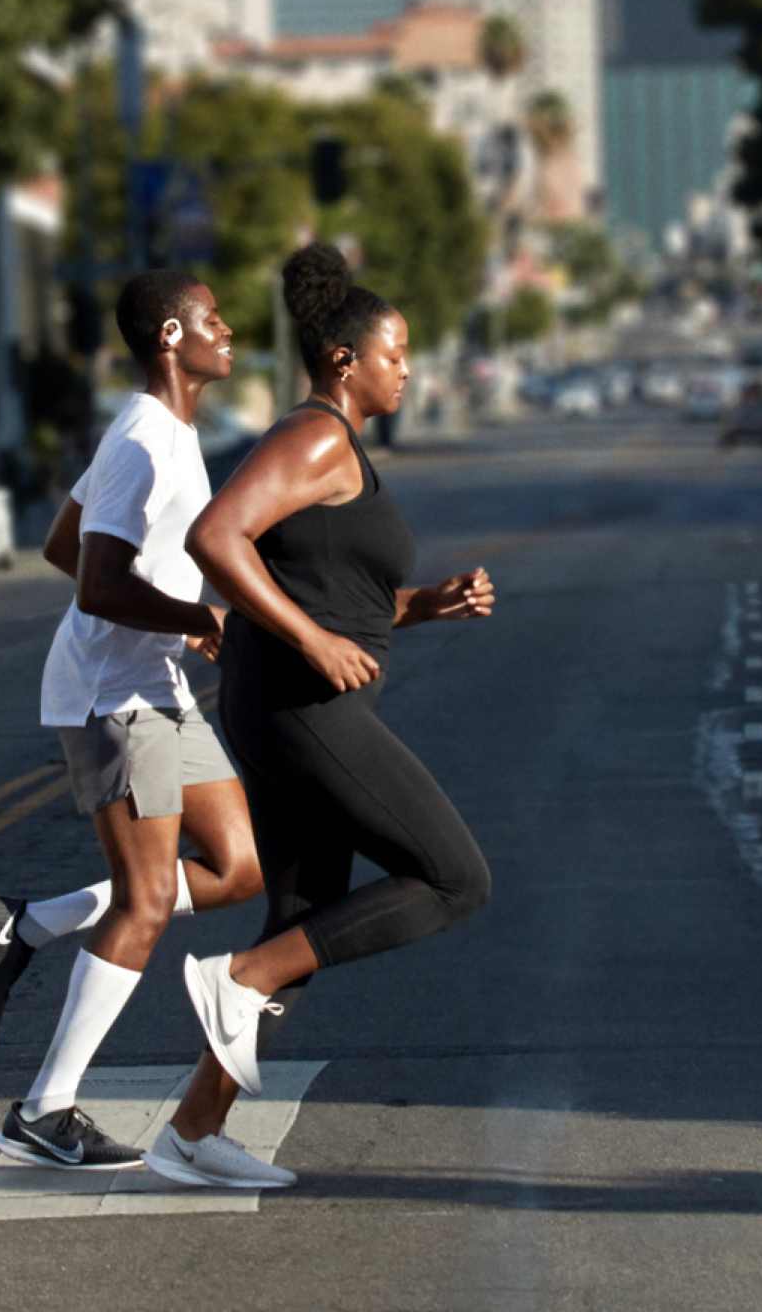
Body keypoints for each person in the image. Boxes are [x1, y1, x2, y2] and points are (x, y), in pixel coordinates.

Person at [0, 269, 289, 1188]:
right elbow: (93, 581)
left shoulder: (165, 435)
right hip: (114, 696)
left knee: (240, 866)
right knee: (146, 901)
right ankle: (42, 1110)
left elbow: (65, 546)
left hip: (156, 688)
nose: (228, 331)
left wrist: (175, 617)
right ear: (173, 337)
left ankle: (30, 924)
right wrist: (196, 617)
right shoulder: (145, 439)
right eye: (214, 319)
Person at [172, 243, 498, 1125]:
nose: (407, 370)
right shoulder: (315, 434)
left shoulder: (336, 443)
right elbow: (216, 537)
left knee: (304, 918)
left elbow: (339, 595)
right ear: (345, 360)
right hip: (299, 704)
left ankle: (195, 1131)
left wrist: (427, 604)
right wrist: (314, 643)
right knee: (453, 879)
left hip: (294, 697)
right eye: (395, 354)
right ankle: (236, 979)